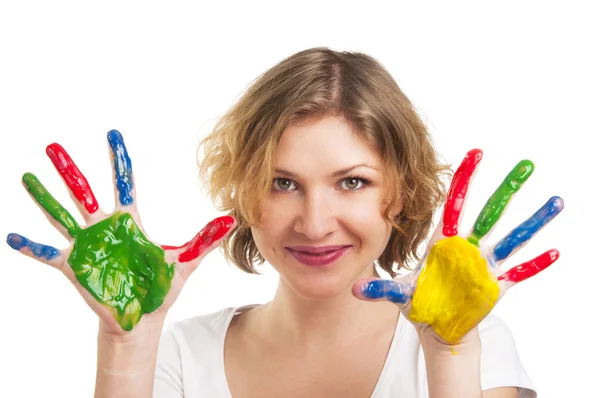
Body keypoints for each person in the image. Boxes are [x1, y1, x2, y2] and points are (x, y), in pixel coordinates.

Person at [6, 47, 563, 398]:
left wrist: (450, 359)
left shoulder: (475, 342)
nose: (316, 223)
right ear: (245, 194)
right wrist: (127, 345)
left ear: (402, 190)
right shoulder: (178, 355)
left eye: (352, 182)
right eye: (282, 183)